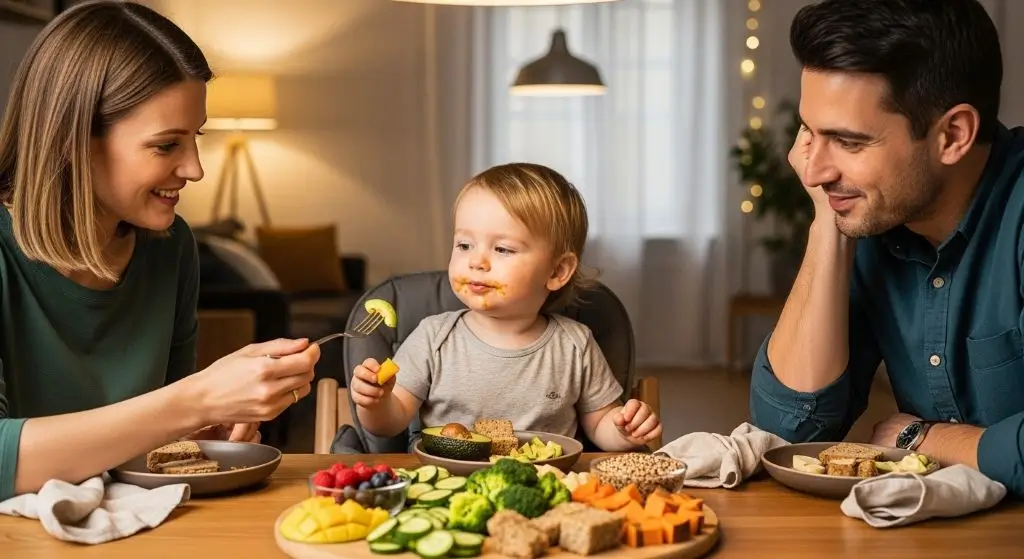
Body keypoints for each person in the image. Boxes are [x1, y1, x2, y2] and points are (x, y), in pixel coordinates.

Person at [0, 0, 319, 501]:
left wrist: (199, 428)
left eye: (196, 138)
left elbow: (148, 432)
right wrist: (194, 401)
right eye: (167, 145)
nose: (195, 169)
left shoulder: (171, 248)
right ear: (72, 141)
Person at [748, 0, 1024, 497]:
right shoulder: (875, 214)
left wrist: (927, 438)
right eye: (810, 132)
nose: (813, 170)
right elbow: (787, 430)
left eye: (848, 142)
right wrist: (828, 222)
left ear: (953, 135)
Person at [349, 163, 661, 451]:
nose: (477, 261)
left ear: (557, 271)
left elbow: (600, 423)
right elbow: (388, 423)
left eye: (502, 249)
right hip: (450, 482)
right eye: (464, 245)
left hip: (545, 484)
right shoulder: (433, 337)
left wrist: (623, 430)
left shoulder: (575, 345)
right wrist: (375, 403)